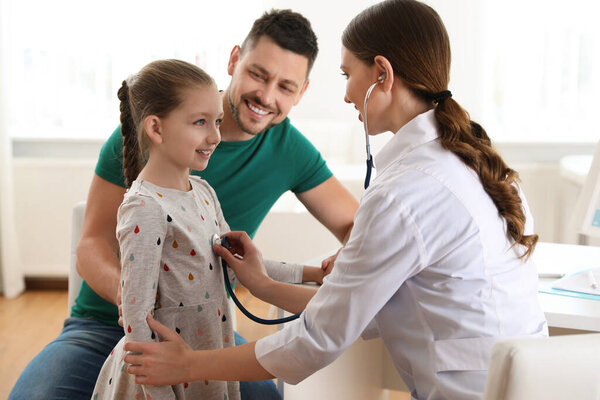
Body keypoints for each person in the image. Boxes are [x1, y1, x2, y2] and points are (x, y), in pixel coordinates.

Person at [121, 1, 549, 399]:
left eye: (347, 75)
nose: (346, 95)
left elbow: (318, 338)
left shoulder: (406, 192)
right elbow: (366, 306)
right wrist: (264, 284)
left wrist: (189, 365)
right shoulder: (471, 160)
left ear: (381, 73)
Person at [8, 9, 358, 400]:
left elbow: (354, 225)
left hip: (203, 328)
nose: (267, 95)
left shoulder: (288, 152)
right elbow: (90, 247)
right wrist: (134, 298)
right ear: (234, 59)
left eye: (285, 87)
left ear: (302, 92)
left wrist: (336, 267)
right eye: (258, 74)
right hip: (105, 325)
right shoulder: (143, 135)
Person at [92, 59, 243, 400]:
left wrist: (315, 274)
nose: (216, 136)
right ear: (156, 129)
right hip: (163, 378)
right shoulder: (145, 208)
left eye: (217, 121)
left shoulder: (204, 192)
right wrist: (159, 393)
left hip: (204, 357)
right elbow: (135, 321)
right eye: (201, 122)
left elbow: (238, 272)